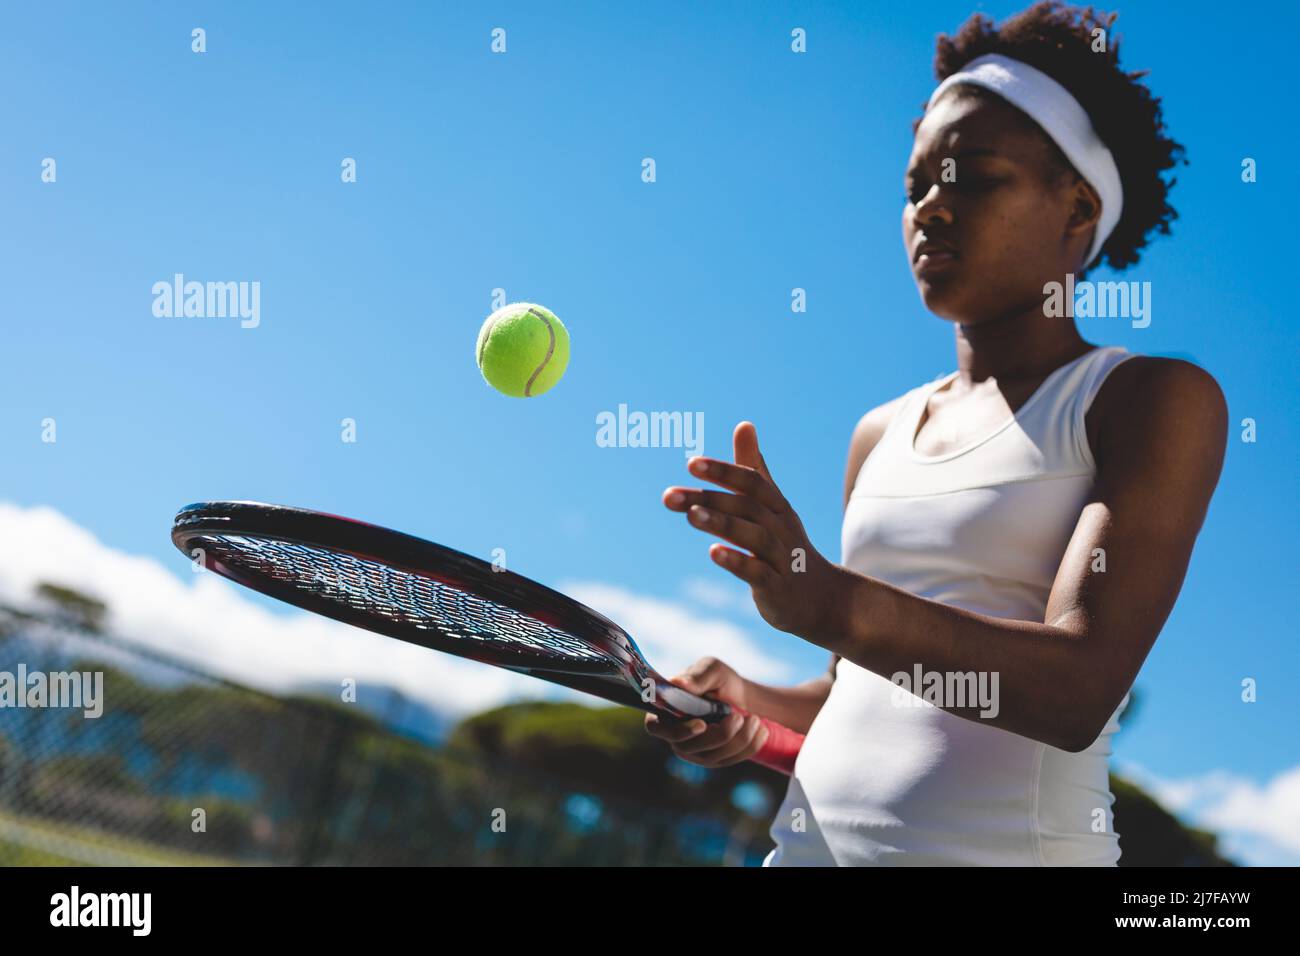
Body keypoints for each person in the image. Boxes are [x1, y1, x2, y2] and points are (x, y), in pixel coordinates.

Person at [645, 1, 1227, 866]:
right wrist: (750, 702)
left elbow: (1078, 689)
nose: (931, 210)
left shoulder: (1149, 399)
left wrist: (829, 599)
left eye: (975, 177)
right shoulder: (877, 433)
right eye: (917, 184)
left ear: (1076, 208)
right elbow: (859, 686)